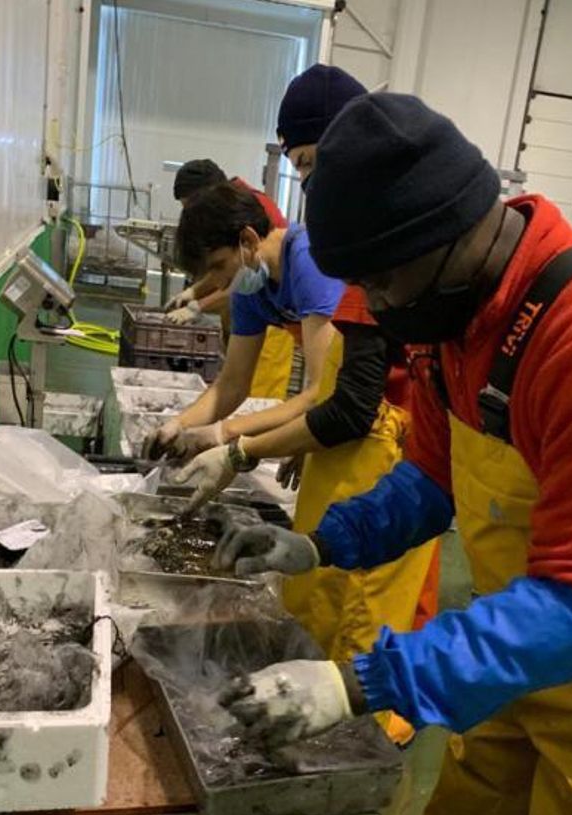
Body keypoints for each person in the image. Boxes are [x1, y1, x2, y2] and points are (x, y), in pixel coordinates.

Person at [215, 93, 572, 815]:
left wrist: (362, 680)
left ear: (445, 234)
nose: (374, 306)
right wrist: (317, 544)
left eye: (382, 281)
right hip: (523, 627)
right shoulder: (456, 322)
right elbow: (433, 483)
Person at [278, 62, 442, 632]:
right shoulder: (370, 253)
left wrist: (239, 450)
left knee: (359, 625)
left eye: (307, 164)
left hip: (383, 466)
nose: (306, 184)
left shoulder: (375, 255)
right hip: (403, 468)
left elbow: (350, 405)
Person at [143, 180, 342, 479]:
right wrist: (180, 425)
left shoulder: (308, 262)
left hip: (378, 406)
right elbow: (232, 384)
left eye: (219, 266)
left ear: (248, 240)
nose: (219, 284)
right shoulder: (249, 288)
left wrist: (224, 432)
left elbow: (320, 391)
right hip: (337, 406)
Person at [168, 158, 295, 400]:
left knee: (260, 397)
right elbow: (226, 272)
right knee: (235, 386)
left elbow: (239, 274)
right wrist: (195, 291)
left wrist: (198, 306)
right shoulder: (230, 208)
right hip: (250, 311)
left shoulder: (248, 210)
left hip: (273, 321)